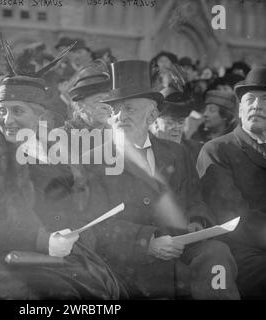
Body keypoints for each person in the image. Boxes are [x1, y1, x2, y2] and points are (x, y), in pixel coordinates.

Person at [0, 72, 125, 299]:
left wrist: (72, 234)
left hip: (61, 254)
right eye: (2, 111)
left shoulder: (58, 153)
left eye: (18, 111)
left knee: (110, 290)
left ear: (39, 115)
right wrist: (43, 240)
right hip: (5, 258)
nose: (7, 120)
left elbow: (71, 208)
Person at [85, 60, 239, 299]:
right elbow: (95, 226)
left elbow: (194, 199)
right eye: (115, 110)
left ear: (153, 115)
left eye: (130, 109)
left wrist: (196, 222)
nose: (120, 116)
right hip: (130, 262)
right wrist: (147, 242)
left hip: (181, 251)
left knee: (216, 253)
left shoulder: (176, 153)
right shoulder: (92, 161)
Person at [197, 65, 266, 299]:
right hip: (238, 250)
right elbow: (231, 215)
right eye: (249, 99)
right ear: (240, 109)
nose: (257, 106)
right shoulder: (217, 149)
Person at [151, 87, 203, 164]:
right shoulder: (144, 152)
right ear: (155, 122)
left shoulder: (195, 151)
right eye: (170, 122)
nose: (176, 128)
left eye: (181, 122)